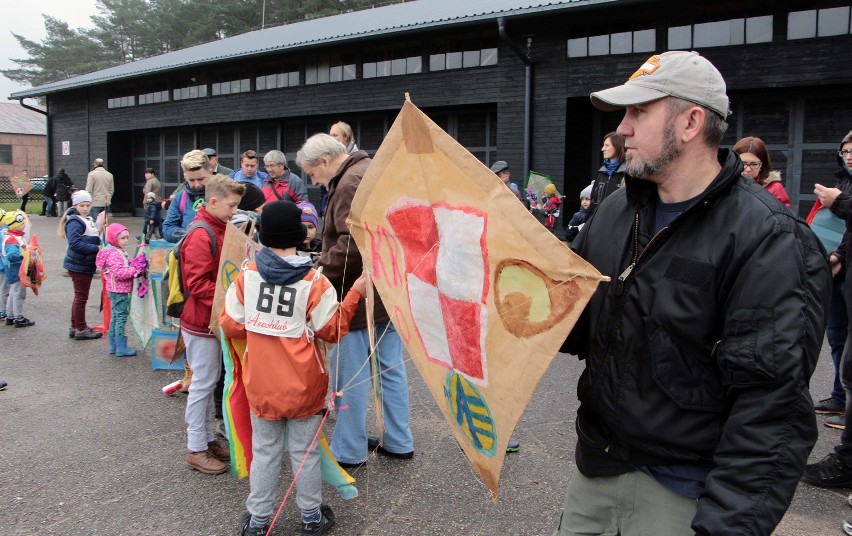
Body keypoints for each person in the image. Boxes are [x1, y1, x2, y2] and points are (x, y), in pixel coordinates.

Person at [553, 51, 830, 536]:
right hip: (596, 470)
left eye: (639, 112)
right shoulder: (618, 208)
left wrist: (727, 526)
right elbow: (577, 320)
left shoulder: (768, 239)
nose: (623, 129)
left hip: (684, 493)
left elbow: (771, 408)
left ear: (691, 122)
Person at [219, 200, 368, 536]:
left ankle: (258, 520)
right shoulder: (315, 282)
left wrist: (263, 326)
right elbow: (332, 329)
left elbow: (230, 324)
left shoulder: (246, 278)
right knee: (305, 452)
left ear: (261, 235)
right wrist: (356, 293)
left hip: (261, 385)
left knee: (265, 451)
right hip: (305, 386)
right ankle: (311, 517)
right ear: (301, 237)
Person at [297, 133, 414, 468]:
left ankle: (349, 449)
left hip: (359, 293)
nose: (312, 179)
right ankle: (398, 439)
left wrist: (318, 274)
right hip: (385, 289)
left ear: (324, 161)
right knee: (390, 368)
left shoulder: (349, 180)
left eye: (312, 172)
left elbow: (352, 243)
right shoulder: (367, 168)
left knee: (350, 376)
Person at [180, 173, 245, 474]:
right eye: (231, 206)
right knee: (202, 385)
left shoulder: (219, 227)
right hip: (200, 322)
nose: (234, 211)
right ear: (214, 201)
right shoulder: (201, 234)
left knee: (208, 383)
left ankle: (206, 439)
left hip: (210, 321)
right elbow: (198, 284)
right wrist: (232, 299)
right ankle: (195, 447)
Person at [803, 131, 852, 489]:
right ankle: (838, 396)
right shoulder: (843, 183)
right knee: (838, 343)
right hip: (839, 272)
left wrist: (839, 203)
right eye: (846, 151)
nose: (849, 156)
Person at [95, 223, 147, 356]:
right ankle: (120, 347)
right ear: (113, 239)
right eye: (122, 238)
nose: (126, 241)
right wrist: (135, 270)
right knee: (120, 317)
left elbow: (124, 265)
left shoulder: (117, 251)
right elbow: (119, 272)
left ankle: (113, 346)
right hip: (119, 290)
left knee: (115, 316)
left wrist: (134, 263)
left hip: (116, 289)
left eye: (127, 238)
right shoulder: (114, 254)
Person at [59, 190, 104, 340]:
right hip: (79, 264)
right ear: (75, 205)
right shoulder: (75, 221)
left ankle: (75, 326)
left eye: (88, 205)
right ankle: (81, 327)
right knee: (81, 297)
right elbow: (75, 243)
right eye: (82, 205)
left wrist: (99, 226)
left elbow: (90, 234)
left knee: (79, 296)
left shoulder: (84, 219)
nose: (85, 208)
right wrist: (96, 249)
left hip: (83, 263)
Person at [163, 151, 212, 243]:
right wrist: (189, 235)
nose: (197, 184)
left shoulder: (225, 194)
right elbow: (167, 229)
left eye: (201, 179)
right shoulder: (180, 198)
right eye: (191, 180)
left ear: (210, 171)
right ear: (185, 176)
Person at [733, 136, 791, 208]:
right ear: (734, 162)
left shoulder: (774, 189)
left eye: (754, 164)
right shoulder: (724, 184)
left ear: (762, 165)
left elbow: (784, 218)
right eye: (743, 163)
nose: (748, 169)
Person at [1, 210, 34, 327]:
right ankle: (18, 318)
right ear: (15, 225)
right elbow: (12, 255)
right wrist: (23, 253)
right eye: (21, 224)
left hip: (15, 269)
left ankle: (10, 316)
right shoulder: (12, 239)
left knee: (13, 293)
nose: (24, 225)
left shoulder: (14, 237)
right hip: (16, 270)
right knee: (19, 294)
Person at [588, 132, 627, 219]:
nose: (602, 149)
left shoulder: (627, 173)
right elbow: (593, 201)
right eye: (603, 145)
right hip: (597, 222)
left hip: (616, 223)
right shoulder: (601, 172)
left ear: (617, 146)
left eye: (607, 145)